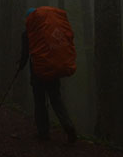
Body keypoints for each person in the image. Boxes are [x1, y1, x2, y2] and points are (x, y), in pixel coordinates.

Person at [18, 7, 78, 144]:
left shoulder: (28, 33)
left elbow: (25, 55)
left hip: (37, 72)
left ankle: (43, 133)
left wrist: (20, 66)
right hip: (52, 70)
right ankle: (68, 126)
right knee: (56, 99)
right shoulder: (47, 32)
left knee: (40, 102)